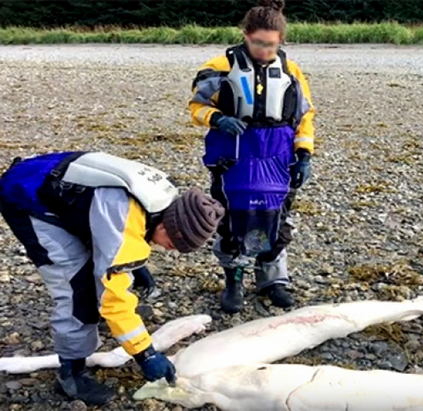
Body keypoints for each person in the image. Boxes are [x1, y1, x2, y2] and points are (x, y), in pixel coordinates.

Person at [0, 151, 224, 405]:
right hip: (28, 199)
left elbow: (123, 232)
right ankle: (71, 374)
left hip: (61, 187)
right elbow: (114, 298)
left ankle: (99, 334)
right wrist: (145, 353)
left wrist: (134, 265)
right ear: (164, 226)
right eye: (172, 243)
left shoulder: (165, 202)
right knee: (77, 289)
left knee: (103, 273)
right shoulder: (124, 214)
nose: (169, 250)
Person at [189, 0, 316, 314]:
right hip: (234, 155)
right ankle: (234, 279)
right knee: (233, 219)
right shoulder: (219, 66)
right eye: (259, 43)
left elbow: (305, 116)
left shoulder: (291, 70)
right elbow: (197, 107)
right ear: (245, 34)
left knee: (278, 217)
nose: (265, 50)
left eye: (272, 45)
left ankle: (273, 280)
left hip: (278, 156)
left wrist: (304, 155)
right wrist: (217, 119)